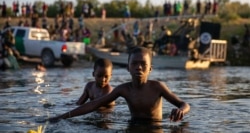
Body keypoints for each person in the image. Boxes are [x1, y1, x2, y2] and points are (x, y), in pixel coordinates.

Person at [48, 47, 190, 123]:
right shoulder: (124, 89)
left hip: (155, 127)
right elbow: (94, 104)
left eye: (143, 64)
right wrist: (62, 117)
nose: (139, 68)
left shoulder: (158, 87)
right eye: (134, 64)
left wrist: (181, 111)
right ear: (127, 67)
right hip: (132, 125)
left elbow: (184, 104)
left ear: (150, 68)